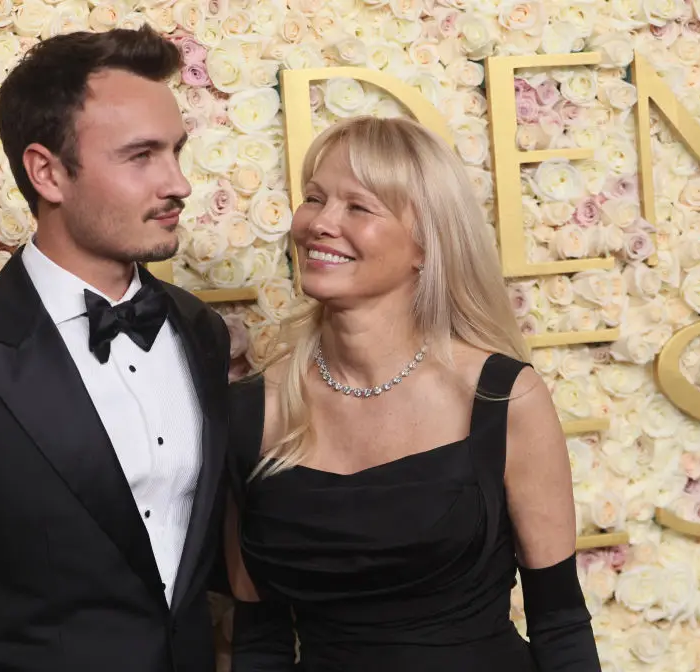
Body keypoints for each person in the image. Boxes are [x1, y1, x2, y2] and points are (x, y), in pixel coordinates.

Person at [0, 27, 231, 672]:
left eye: (176, 151)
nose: (178, 184)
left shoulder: (200, 332)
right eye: (141, 156)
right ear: (47, 173)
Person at [224, 115, 601, 671]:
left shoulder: (501, 398)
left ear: (425, 244)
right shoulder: (252, 413)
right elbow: (260, 643)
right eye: (314, 198)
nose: (320, 223)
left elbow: (560, 623)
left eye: (358, 207)